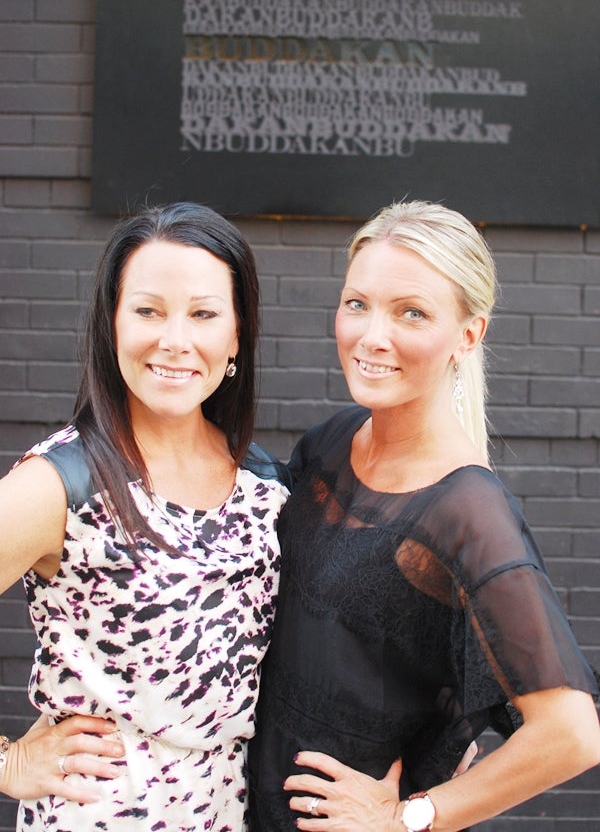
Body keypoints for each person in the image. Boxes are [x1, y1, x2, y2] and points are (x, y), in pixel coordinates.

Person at [248, 200, 600, 832]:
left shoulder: (469, 510)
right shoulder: (332, 441)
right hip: (249, 803)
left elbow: (572, 733)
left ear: (468, 335)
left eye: (411, 312)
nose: (371, 336)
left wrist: (408, 817)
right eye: (357, 303)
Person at [0, 203, 291, 831]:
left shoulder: (263, 485)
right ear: (112, 323)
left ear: (237, 335)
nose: (174, 340)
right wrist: (6, 762)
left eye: (204, 314)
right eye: (148, 311)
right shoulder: (60, 484)